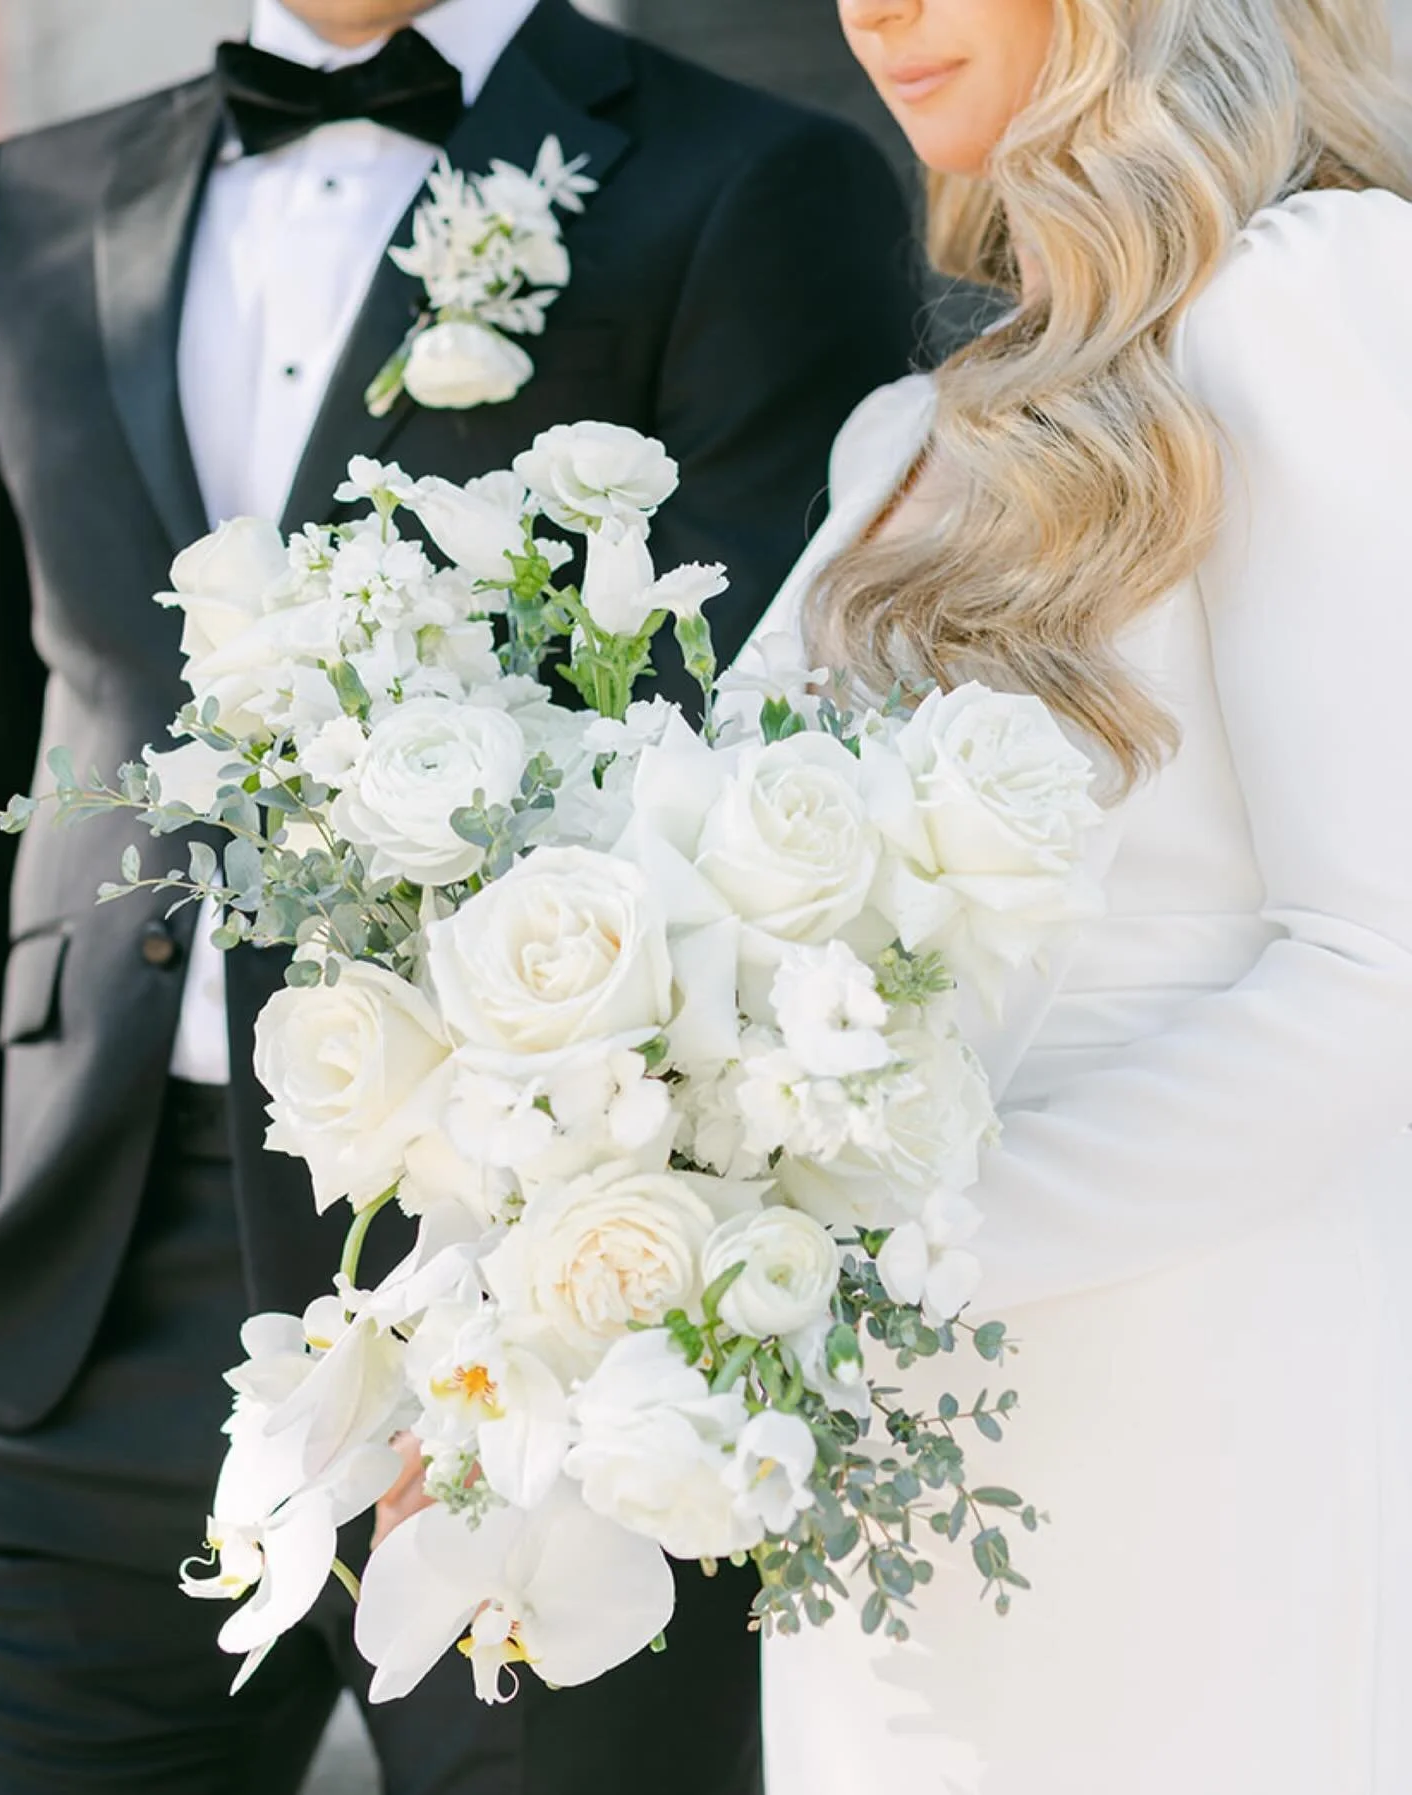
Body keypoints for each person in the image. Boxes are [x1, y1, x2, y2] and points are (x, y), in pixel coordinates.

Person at [0, 2, 935, 1790]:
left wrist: (570, 1301)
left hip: (523, 1304)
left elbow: (750, 758)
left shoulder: (758, 185)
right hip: (70, 1299)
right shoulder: (32, 198)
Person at [746, 2, 1412, 1792]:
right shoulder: (901, 430)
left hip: (1187, 1419)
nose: (874, 8)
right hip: (887, 1481)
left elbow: (1382, 970)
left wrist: (853, 1268)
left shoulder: (1312, 292)